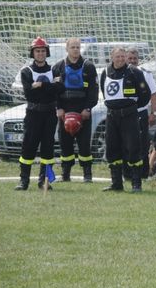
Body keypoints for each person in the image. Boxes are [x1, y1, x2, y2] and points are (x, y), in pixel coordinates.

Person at [15, 37, 64, 191]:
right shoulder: (26, 72)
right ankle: (24, 181)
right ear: (33, 53)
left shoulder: (54, 70)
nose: (40, 54)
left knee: (48, 148)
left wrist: (41, 85)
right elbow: (29, 93)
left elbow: (60, 89)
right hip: (33, 114)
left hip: (50, 114)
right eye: (37, 51)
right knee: (28, 147)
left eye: (43, 51)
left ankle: (44, 181)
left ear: (46, 52)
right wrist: (51, 86)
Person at [100, 47, 150, 192]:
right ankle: (116, 183)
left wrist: (131, 107)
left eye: (123, 56)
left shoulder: (134, 72)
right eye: (118, 56)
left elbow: (145, 95)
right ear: (112, 57)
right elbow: (105, 92)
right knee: (112, 148)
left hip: (129, 116)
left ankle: (136, 183)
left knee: (133, 148)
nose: (121, 59)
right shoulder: (105, 72)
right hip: (111, 116)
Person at [53, 38, 99, 183]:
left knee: (84, 145)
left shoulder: (88, 67)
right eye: (72, 47)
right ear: (67, 49)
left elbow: (94, 91)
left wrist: (87, 109)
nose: (75, 50)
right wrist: (58, 108)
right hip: (64, 112)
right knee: (65, 145)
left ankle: (87, 175)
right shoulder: (58, 67)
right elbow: (53, 91)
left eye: (78, 47)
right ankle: (65, 175)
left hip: (83, 112)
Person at [124, 47, 156, 179]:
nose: (132, 61)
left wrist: (153, 113)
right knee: (126, 143)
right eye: (130, 58)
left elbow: (153, 94)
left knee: (143, 144)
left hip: (141, 113)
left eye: (135, 59)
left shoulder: (145, 74)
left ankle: (143, 173)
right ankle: (127, 173)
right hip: (125, 113)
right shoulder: (120, 73)